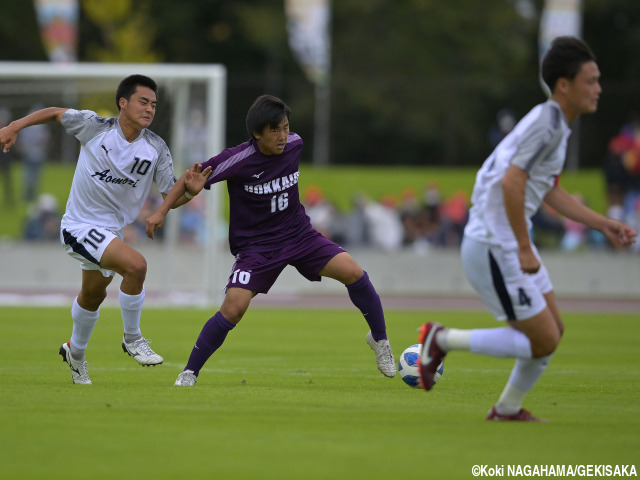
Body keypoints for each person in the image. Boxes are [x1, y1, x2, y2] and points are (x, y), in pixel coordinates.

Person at [417, 37, 637, 421]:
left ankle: (507, 408)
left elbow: (546, 189)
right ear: (564, 85)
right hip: (492, 245)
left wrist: (604, 225)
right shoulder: (549, 124)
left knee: (553, 331)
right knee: (544, 337)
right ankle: (442, 339)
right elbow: (512, 182)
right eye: (591, 80)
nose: (598, 88)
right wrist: (522, 246)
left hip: (503, 244)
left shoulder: (554, 124)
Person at [146, 94, 396, 386]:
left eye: (285, 127)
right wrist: (165, 209)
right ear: (257, 134)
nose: (282, 136)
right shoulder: (237, 159)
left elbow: (289, 142)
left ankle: (380, 341)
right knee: (233, 308)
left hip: (299, 235)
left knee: (354, 272)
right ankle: (189, 372)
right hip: (257, 248)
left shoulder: (295, 144)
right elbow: (190, 180)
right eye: (274, 130)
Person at [0, 74, 210, 385]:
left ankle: (75, 352)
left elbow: (169, 198)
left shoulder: (156, 148)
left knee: (92, 295)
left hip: (111, 232)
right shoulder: (94, 126)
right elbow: (56, 113)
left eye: (154, 104)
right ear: (123, 103)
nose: (150, 109)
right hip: (79, 226)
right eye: (143, 101)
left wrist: (190, 192)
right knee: (136, 266)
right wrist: (14, 126)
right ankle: (133, 338)